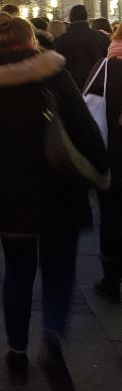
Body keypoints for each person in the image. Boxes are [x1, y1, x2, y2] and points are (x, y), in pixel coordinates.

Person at [0, 12, 108, 389]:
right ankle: (50, 342)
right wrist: (100, 170)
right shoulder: (52, 74)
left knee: (17, 274)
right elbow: (83, 126)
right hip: (58, 190)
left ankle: (16, 354)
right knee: (59, 273)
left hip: (10, 193)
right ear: (32, 40)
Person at [84, 23, 122, 304]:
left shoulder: (107, 68)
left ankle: (111, 281)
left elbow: (89, 111)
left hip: (114, 157)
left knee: (111, 215)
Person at [54, 5, 110, 91]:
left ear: (71, 18)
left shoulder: (61, 39)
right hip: (97, 86)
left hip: (71, 87)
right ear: (86, 17)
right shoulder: (100, 37)